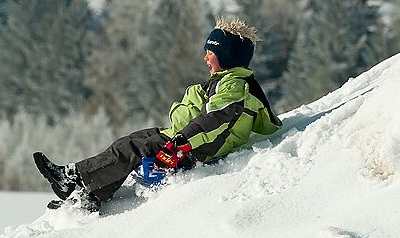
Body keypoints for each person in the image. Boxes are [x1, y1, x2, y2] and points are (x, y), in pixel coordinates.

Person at [33, 18, 282, 211]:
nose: (205, 56)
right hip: (182, 139)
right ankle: (88, 196)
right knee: (131, 142)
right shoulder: (226, 82)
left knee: (129, 149)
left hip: (194, 148)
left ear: (227, 56)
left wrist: (181, 143)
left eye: (211, 52)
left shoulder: (234, 86)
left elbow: (214, 120)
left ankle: (72, 177)